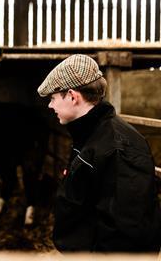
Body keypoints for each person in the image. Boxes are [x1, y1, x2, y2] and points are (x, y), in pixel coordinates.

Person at [37, 54, 161, 253]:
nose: (50, 105)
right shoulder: (89, 133)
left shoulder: (119, 149)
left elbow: (124, 234)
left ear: (72, 96)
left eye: (52, 98)